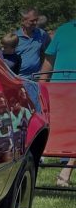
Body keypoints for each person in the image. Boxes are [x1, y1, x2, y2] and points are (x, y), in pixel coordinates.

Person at [41, 18, 76, 186]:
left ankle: (66, 172)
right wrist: (40, 87)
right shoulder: (63, 30)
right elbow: (48, 62)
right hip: (59, 92)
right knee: (56, 130)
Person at [16, 8, 50, 77]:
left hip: (36, 77)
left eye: (36, 20)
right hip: (19, 78)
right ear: (23, 21)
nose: (35, 23)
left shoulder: (42, 34)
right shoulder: (15, 37)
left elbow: (49, 52)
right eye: (32, 21)